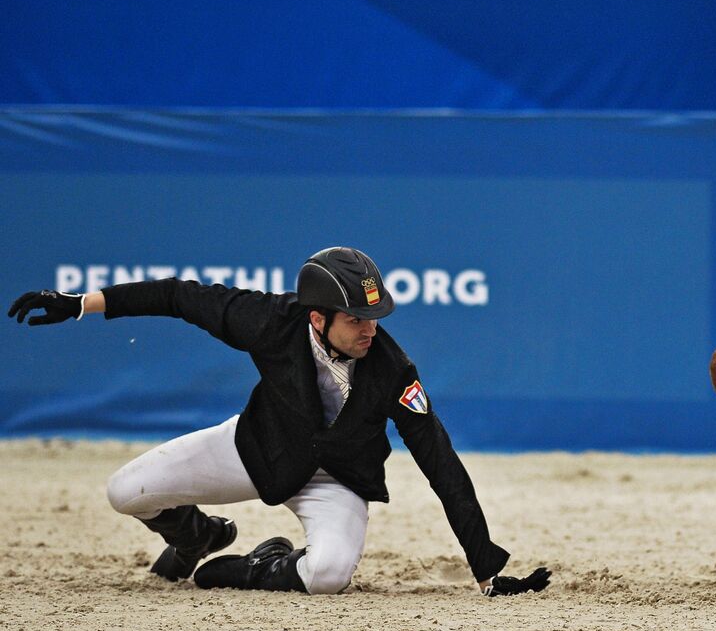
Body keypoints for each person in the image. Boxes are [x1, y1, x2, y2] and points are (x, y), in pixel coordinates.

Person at [8, 247, 550, 596]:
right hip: (256, 450)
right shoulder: (272, 322)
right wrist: (82, 304)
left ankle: (256, 565)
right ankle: (197, 536)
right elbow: (177, 296)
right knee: (125, 490)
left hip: (336, 480)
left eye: (376, 319)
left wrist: (487, 570)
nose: (370, 331)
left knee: (330, 575)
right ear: (317, 317)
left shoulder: (394, 369)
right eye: (356, 320)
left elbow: (440, 461)